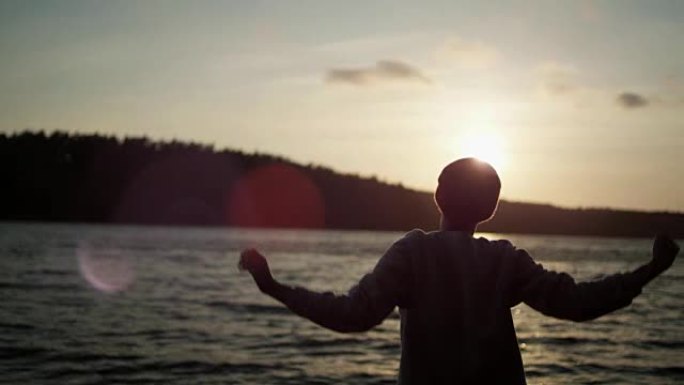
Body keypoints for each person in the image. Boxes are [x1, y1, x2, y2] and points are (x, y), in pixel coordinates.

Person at [238, 158, 680, 385]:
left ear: (438, 196)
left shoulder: (413, 253)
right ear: (490, 209)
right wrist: (649, 271)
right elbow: (577, 303)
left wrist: (274, 286)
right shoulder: (504, 259)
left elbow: (354, 314)